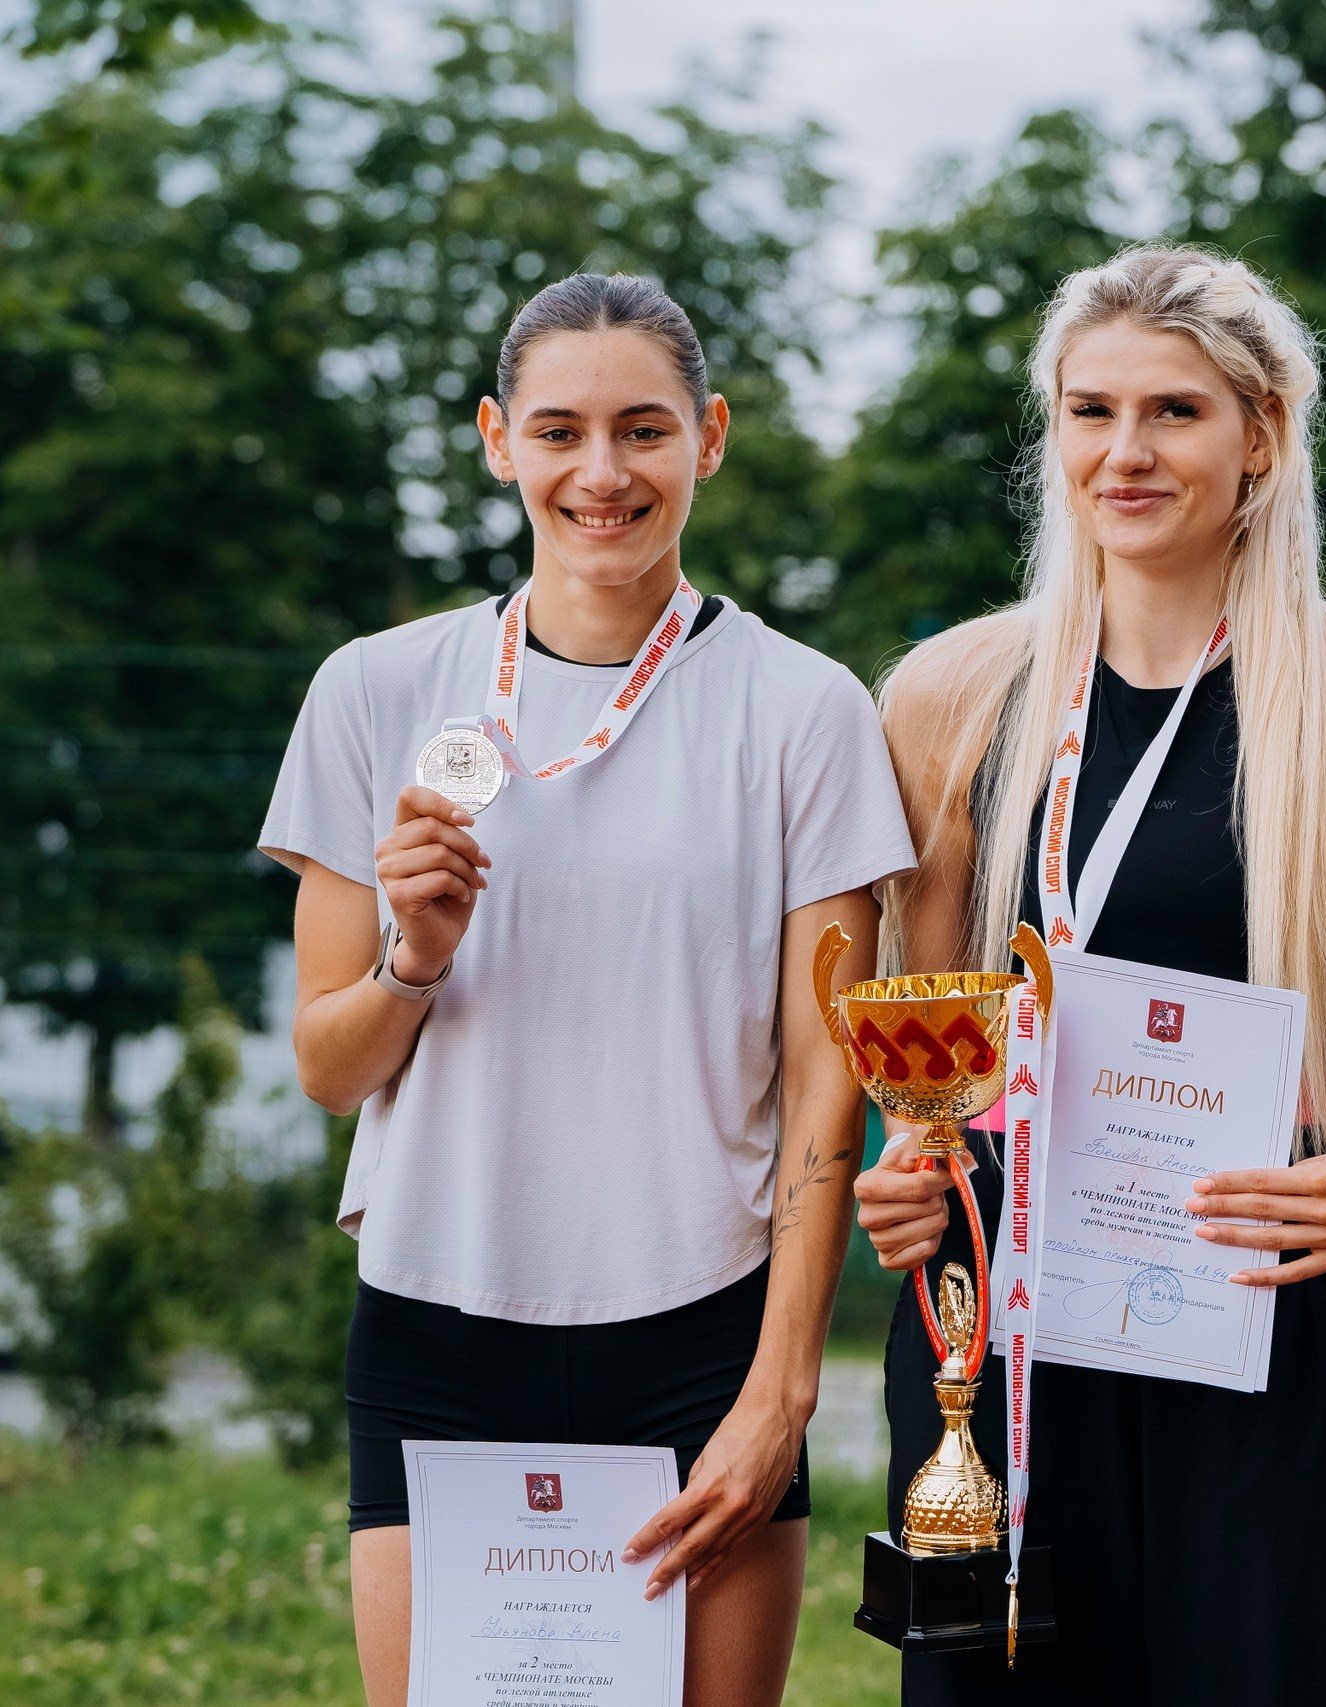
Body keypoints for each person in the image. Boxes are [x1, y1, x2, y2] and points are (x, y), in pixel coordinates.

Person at [261, 273, 916, 1707]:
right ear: (499, 441)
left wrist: (780, 1392)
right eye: (559, 432)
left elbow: (827, 1085)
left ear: (711, 436)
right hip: (437, 1319)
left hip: (703, 1331)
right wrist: (413, 963)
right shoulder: (377, 691)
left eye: (645, 430)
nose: (602, 474)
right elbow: (327, 1064)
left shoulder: (805, 710)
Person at [851, 243, 1326, 1704]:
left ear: (1261, 434)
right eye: (1089, 411)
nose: (1125, 452)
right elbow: (918, 1052)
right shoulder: (949, 693)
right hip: (993, 1312)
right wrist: (904, 1156)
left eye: (1175, 413)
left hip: (1254, 1280)